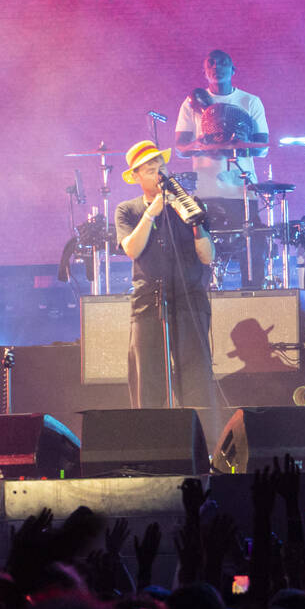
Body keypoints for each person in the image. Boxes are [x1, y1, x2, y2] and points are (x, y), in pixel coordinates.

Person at [115, 140, 217, 409]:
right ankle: (151, 446)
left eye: (161, 166)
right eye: (150, 169)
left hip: (189, 300)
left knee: (196, 381)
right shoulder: (128, 210)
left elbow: (207, 256)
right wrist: (152, 212)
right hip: (149, 303)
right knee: (148, 382)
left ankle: (202, 443)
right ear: (135, 176)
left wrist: (194, 222)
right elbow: (132, 250)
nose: (159, 173)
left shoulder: (190, 204)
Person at [175, 49, 269, 288]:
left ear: (233, 69)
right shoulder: (191, 103)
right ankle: (202, 301)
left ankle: (253, 295)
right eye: (212, 64)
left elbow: (262, 146)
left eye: (224, 63)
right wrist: (199, 144)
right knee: (202, 253)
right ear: (205, 72)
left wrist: (232, 146)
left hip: (241, 191)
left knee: (252, 249)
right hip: (205, 191)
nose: (218, 67)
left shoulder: (250, 101)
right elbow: (180, 147)